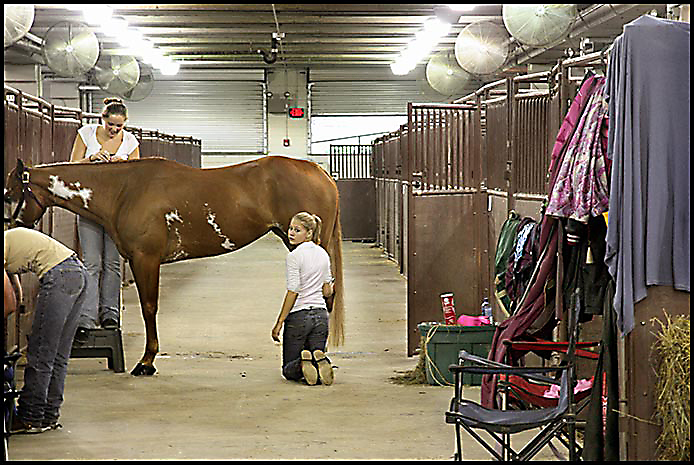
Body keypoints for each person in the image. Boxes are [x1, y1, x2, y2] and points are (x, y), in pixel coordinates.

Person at [4, 227, 88, 433]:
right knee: (57, 354)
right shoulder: (8, 243)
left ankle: (29, 417)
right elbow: (17, 293)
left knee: (41, 352)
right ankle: (48, 415)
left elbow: (9, 304)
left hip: (60, 275)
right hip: (77, 273)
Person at [69, 97, 140, 339]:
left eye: (119, 126)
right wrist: (91, 159)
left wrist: (125, 165)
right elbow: (72, 165)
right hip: (89, 207)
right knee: (91, 262)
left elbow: (138, 177)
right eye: (111, 125)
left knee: (112, 263)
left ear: (125, 124)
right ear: (103, 120)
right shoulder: (86, 133)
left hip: (117, 211)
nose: (114, 130)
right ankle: (87, 317)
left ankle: (110, 314)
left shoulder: (130, 142)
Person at [272, 212, 336, 386]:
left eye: (297, 230)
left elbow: (293, 291)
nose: (291, 233)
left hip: (299, 317)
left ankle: (301, 365)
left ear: (309, 233)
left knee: (288, 370)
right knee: (315, 354)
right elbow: (327, 291)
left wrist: (280, 321)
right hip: (321, 316)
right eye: (290, 229)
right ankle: (319, 359)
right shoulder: (323, 254)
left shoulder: (294, 256)